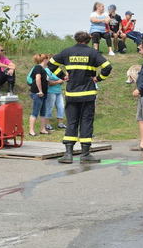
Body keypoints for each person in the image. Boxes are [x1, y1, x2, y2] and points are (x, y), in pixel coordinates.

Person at [48, 31, 113, 163]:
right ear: (88, 40)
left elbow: (51, 64)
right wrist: (98, 78)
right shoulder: (93, 52)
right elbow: (107, 67)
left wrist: (62, 76)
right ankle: (85, 154)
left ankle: (68, 154)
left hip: (72, 94)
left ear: (76, 39)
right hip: (88, 95)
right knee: (86, 122)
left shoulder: (67, 52)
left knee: (72, 122)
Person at [27, 54, 50, 137]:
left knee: (43, 112)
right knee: (35, 111)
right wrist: (40, 91)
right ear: (45, 60)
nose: (49, 61)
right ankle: (31, 131)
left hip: (44, 93)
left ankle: (42, 129)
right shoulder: (38, 67)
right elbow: (37, 79)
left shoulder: (43, 69)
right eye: (48, 59)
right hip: (37, 93)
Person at [44, 61, 67, 131]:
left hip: (58, 91)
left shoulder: (58, 69)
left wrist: (62, 81)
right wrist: (58, 81)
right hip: (50, 92)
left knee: (61, 107)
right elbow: (48, 82)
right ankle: (47, 124)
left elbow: (63, 79)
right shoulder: (46, 70)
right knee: (49, 107)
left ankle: (60, 124)